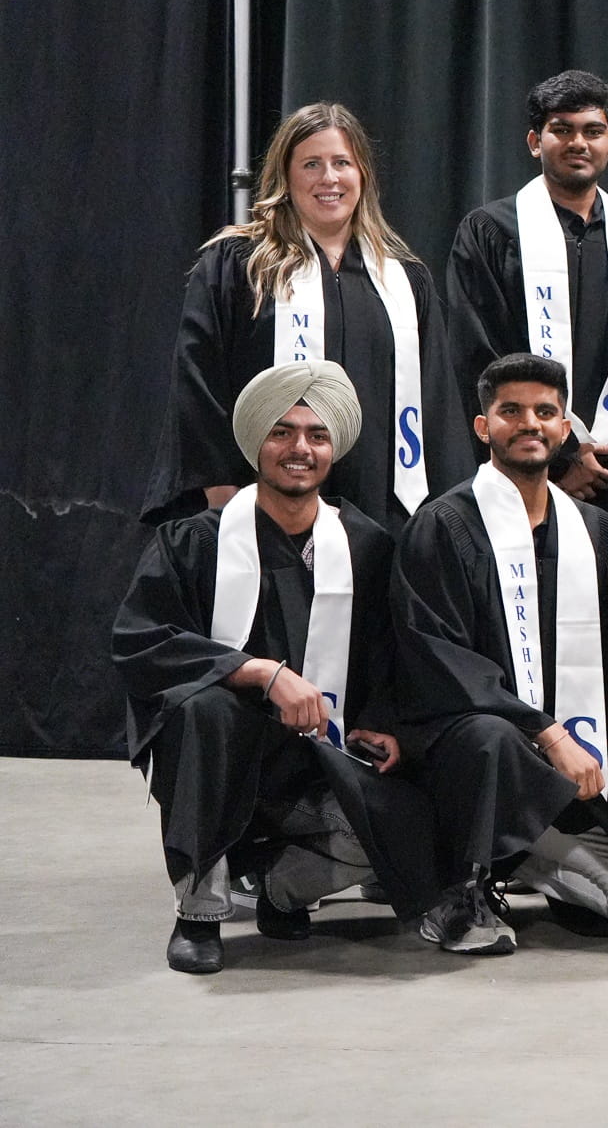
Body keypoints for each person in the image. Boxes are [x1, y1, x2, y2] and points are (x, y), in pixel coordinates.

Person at [112, 362, 438, 973]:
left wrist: (382, 720)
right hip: (220, 754)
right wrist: (258, 672)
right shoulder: (195, 541)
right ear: (256, 443)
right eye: (281, 432)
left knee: (421, 831)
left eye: (316, 435)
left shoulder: (367, 546)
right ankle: (200, 912)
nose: (299, 448)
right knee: (205, 708)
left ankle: (281, 887)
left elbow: (388, 654)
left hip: (316, 756)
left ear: (333, 450)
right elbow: (143, 640)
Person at [389, 353, 608, 954]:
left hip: (571, 751)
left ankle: (529, 850)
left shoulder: (597, 531)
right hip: (469, 744)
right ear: (483, 427)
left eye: (545, 412)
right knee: (490, 737)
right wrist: (546, 732)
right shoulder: (443, 524)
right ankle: (462, 887)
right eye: (512, 411)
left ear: (565, 427)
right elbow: (435, 657)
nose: (530, 423)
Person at [143, 102, 469, 533]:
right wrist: (222, 495)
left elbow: (435, 402)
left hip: (381, 512)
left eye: (341, 163)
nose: (328, 178)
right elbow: (199, 381)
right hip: (258, 511)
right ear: (286, 176)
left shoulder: (404, 280)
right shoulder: (239, 266)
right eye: (311, 164)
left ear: (363, 174)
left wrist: (441, 515)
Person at [444, 70, 608, 527]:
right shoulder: (490, 232)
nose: (578, 143)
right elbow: (479, 351)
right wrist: (563, 455)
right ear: (535, 141)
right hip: (523, 472)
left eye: (593, 131)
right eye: (562, 130)